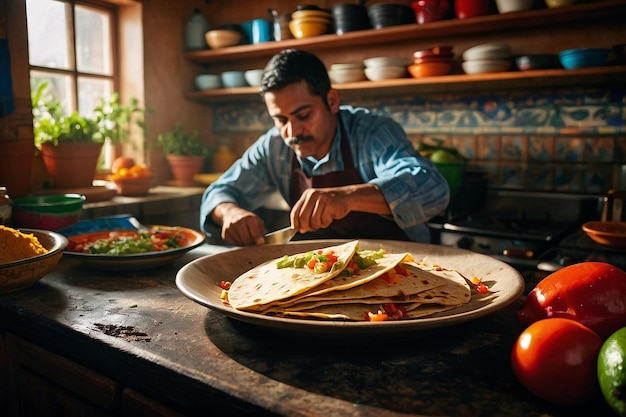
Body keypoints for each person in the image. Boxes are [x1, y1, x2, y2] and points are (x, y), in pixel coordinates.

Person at [200, 49, 449, 246]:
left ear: (331, 101)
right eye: (281, 119)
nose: (292, 132)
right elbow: (219, 192)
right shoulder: (273, 146)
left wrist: (347, 197)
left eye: (304, 115)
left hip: (404, 266)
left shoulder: (372, 132)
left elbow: (432, 186)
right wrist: (230, 213)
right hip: (327, 273)